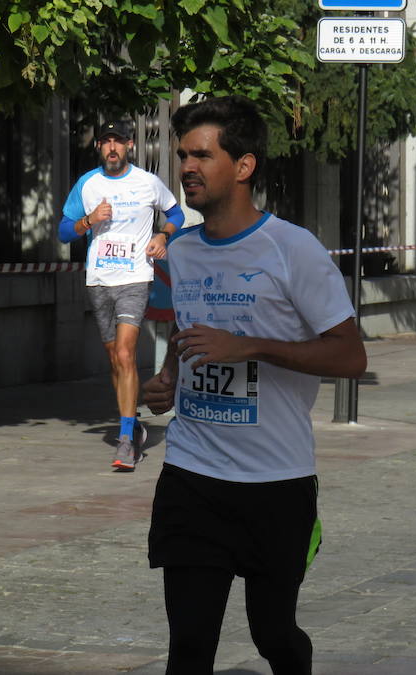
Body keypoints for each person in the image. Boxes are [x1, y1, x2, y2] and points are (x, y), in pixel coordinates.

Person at [142, 96, 366, 674]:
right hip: (193, 476)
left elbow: (351, 355)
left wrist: (253, 346)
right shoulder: (182, 254)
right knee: (189, 648)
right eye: (183, 156)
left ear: (243, 166)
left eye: (202, 155)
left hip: (276, 482)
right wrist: (166, 383)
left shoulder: (292, 250)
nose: (187, 168)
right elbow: (188, 342)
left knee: (274, 634)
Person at [58, 120, 185, 471]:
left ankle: (127, 440)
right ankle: (135, 424)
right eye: (106, 142)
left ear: (129, 145)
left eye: (118, 142)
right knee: (116, 359)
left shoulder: (147, 182)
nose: (112, 148)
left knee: (127, 353)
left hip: (136, 278)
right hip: (99, 280)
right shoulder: (87, 184)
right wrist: (88, 220)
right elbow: (64, 231)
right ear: (99, 147)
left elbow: (177, 212)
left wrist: (163, 236)